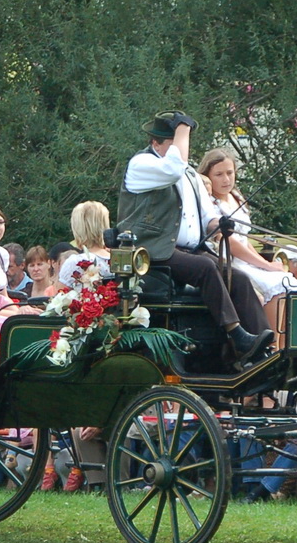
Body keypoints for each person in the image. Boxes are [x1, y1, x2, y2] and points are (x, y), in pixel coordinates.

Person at [117, 113, 275, 370]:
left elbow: (207, 216)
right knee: (206, 268)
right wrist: (183, 128)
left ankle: (262, 351)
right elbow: (173, 168)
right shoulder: (142, 164)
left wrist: (218, 225)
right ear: (156, 143)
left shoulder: (189, 175)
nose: (181, 150)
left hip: (189, 250)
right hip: (153, 250)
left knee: (238, 278)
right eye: (175, 144)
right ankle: (237, 335)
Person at [196, 149, 297, 322]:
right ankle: (270, 337)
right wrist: (266, 265)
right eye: (219, 175)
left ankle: (282, 338)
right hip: (228, 261)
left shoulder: (236, 197)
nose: (226, 179)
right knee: (276, 285)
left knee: (286, 282)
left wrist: (262, 262)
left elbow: (244, 239)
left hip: (246, 259)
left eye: (230, 173)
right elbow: (230, 242)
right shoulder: (209, 204)